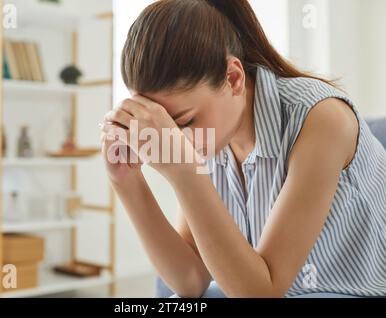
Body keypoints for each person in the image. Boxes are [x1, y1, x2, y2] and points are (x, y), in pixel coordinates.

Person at [100, 0, 386, 298]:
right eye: (165, 128)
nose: (177, 141)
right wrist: (126, 181)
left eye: (184, 121)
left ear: (233, 78)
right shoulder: (213, 136)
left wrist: (185, 173)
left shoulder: (322, 119)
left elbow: (262, 293)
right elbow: (190, 280)